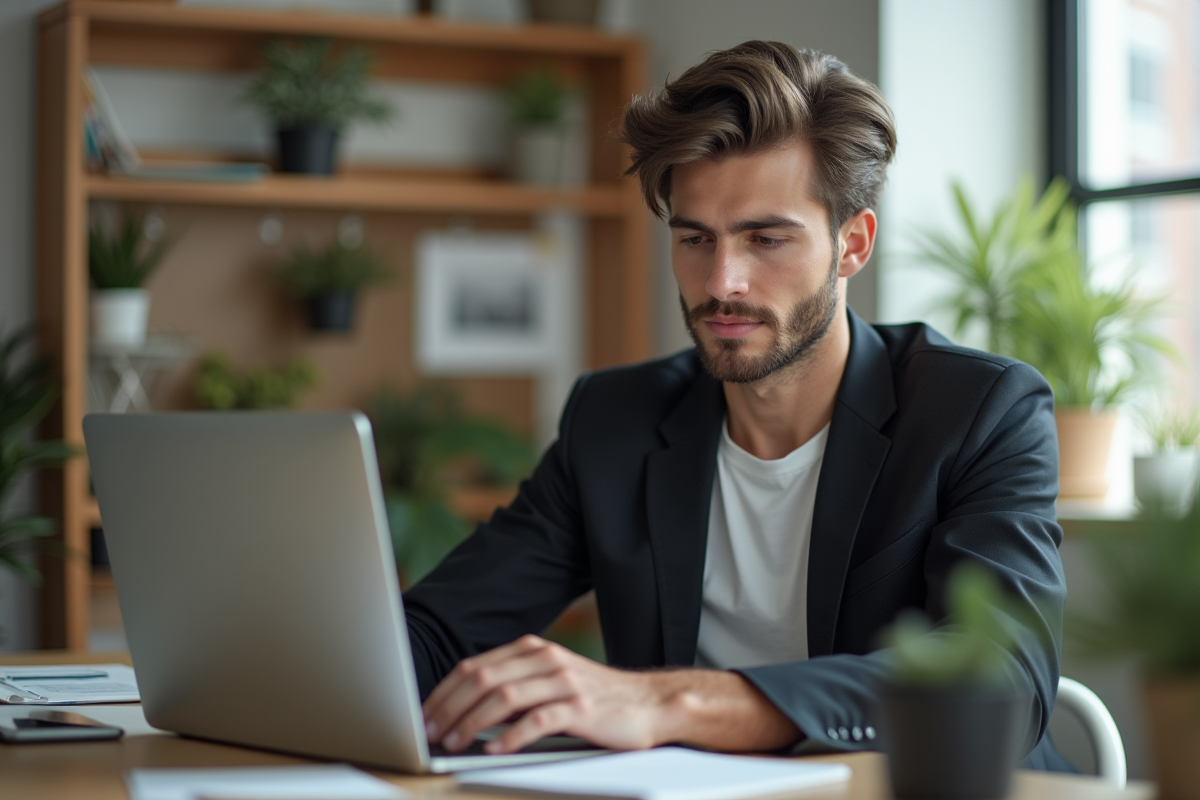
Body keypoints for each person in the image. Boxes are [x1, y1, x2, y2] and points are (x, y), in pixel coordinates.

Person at [405, 41, 1068, 769]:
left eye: (766, 239)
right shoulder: (613, 421)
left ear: (852, 244)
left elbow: (999, 679)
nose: (723, 282)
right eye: (695, 239)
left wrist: (671, 703)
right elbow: (439, 630)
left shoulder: (978, 411)